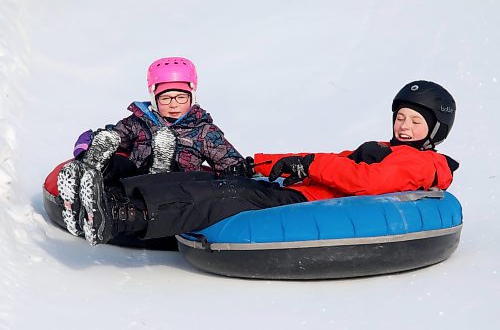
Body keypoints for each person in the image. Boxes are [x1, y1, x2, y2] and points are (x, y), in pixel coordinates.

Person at [75, 80, 459, 246]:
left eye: (415, 121)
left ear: (435, 129)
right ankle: (108, 196)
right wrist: (265, 162)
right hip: (296, 190)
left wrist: (307, 166)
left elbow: (367, 183)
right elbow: (333, 161)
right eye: (401, 117)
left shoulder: (422, 163)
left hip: (307, 203)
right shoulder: (381, 145)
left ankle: (121, 217)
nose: (405, 127)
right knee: (207, 180)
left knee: (223, 198)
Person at [57, 56, 251, 242]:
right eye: (165, 98)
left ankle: (161, 168)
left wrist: (236, 172)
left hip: (173, 189)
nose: (173, 104)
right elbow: (116, 135)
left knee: (178, 179)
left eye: (181, 97)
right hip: (131, 181)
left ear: (192, 96)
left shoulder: (204, 132)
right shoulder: (140, 122)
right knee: (118, 161)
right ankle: (88, 171)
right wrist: (94, 143)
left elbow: (230, 161)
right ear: (154, 98)